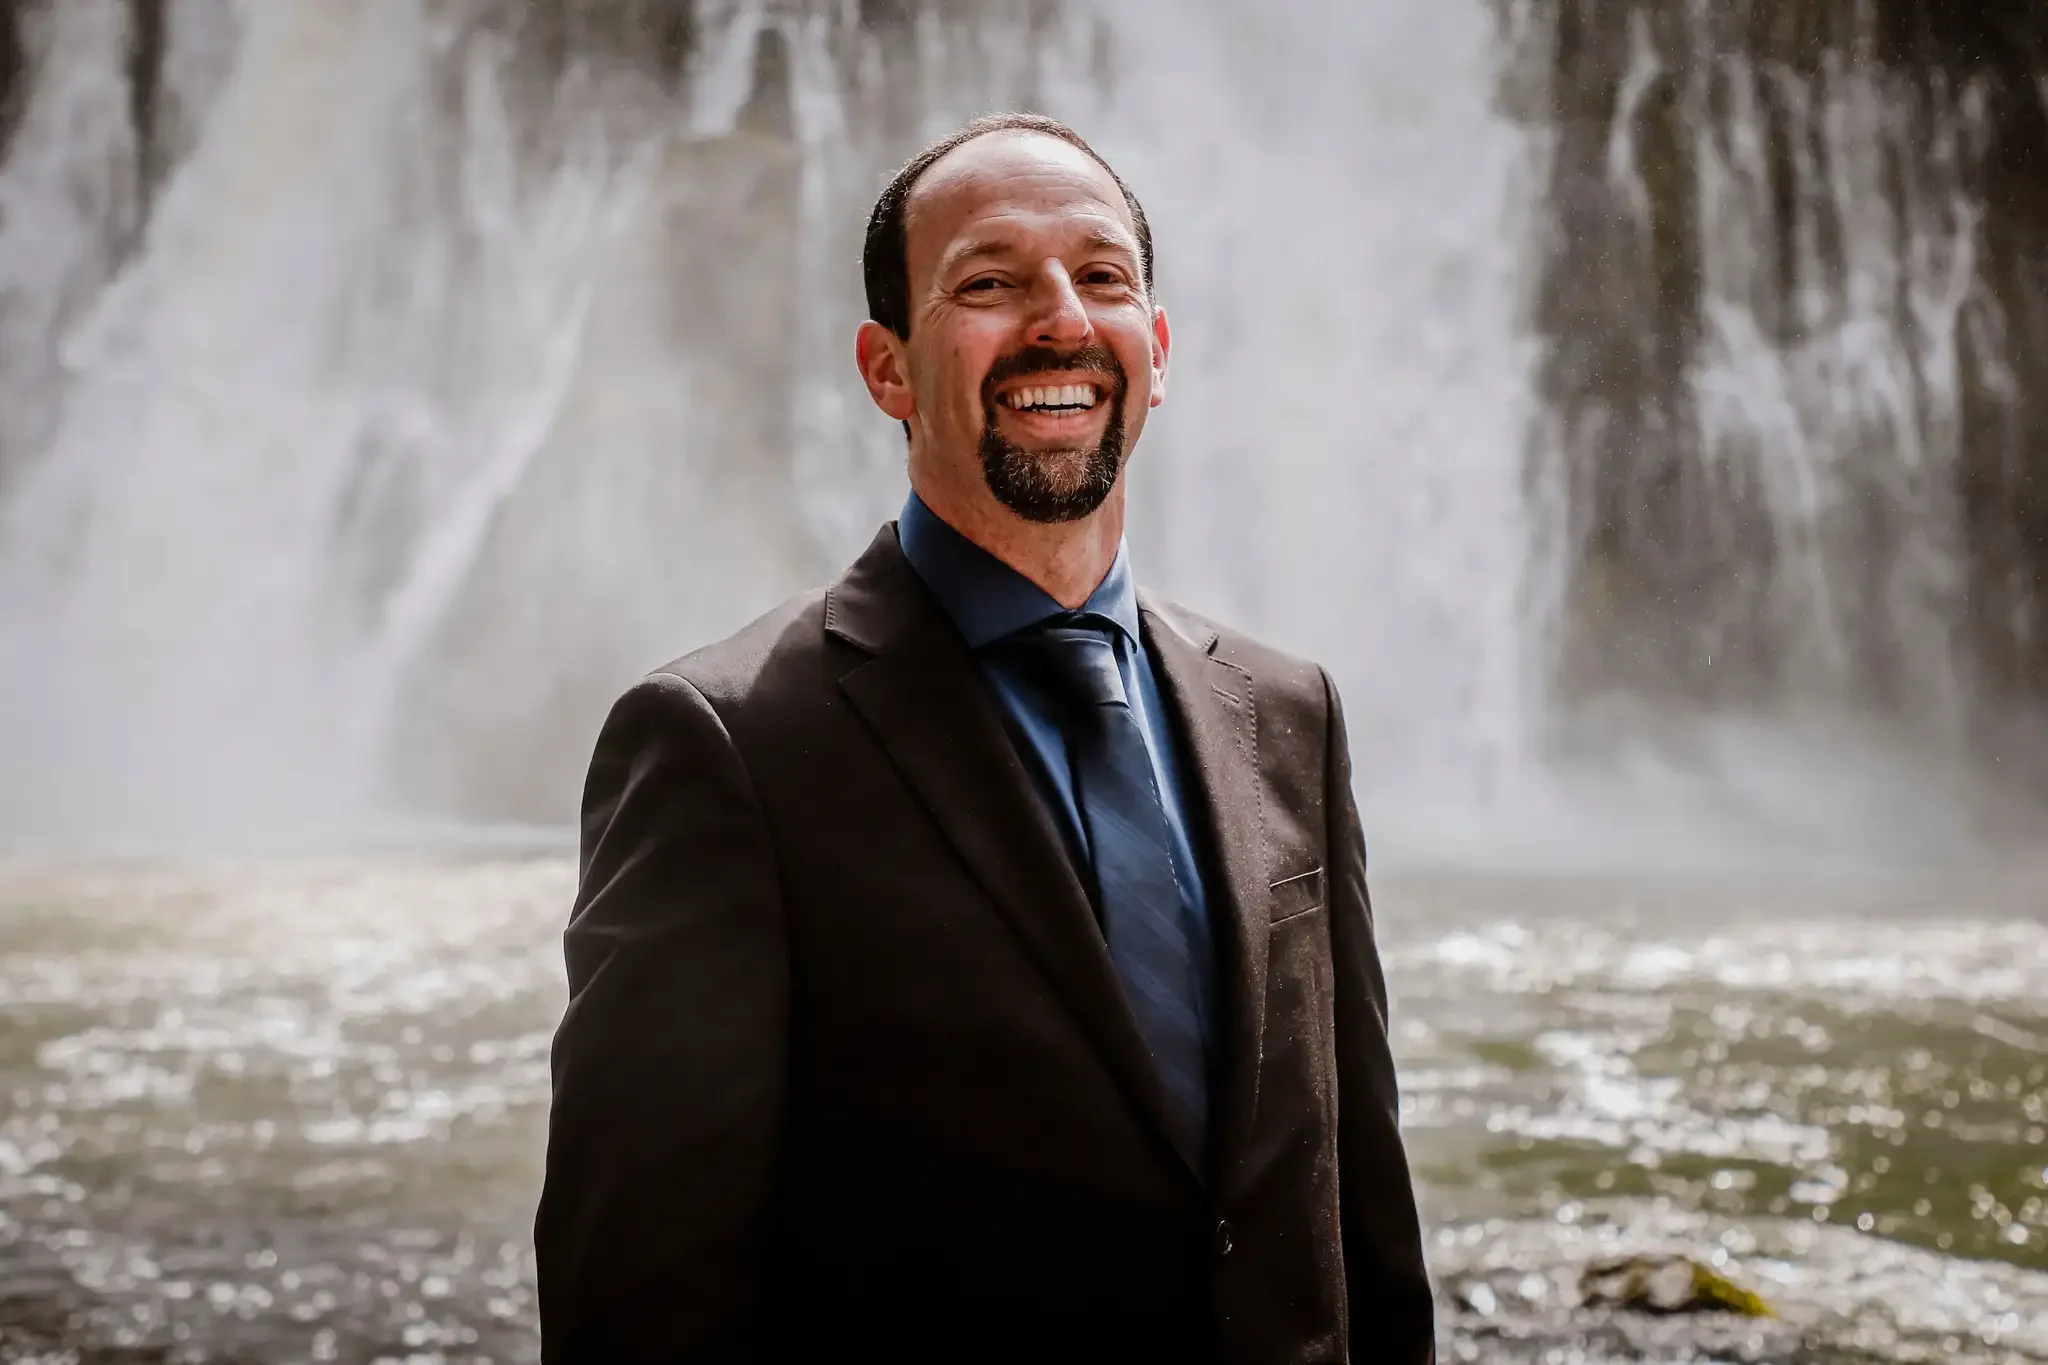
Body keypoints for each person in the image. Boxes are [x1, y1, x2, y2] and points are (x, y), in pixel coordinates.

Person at [535, 112, 1434, 1364]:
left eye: (1101, 277)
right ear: (887, 368)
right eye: (990, 281)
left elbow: (1359, 1211)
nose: (1060, 320)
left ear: (1157, 350)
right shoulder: (720, 748)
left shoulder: (1289, 715)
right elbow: (635, 1296)